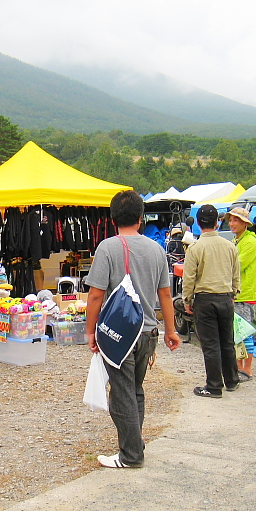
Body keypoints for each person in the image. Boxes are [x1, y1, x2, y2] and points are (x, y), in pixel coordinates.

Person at [86, 190, 181, 468]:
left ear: (112, 218)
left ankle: (130, 455)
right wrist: (171, 330)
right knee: (134, 389)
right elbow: (165, 295)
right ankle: (134, 444)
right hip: (148, 332)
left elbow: (95, 295)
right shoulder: (156, 249)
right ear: (141, 218)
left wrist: (90, 331)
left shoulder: (107, 248)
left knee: (121, 393)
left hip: (118, 335)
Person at [183, 204, 241, 399]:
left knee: (210, 345)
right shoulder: (230, 246)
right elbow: (236, 274)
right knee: (227, 341)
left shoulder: (195, 248)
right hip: (225, 297)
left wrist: (187, 299)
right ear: (217, 222)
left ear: (198, 223)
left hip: (205, 299)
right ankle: (232, 380)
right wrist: (234, 294)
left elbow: (189, 277)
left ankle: (214, 386)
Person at [224, 207, 256, 381]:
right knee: (237, 333)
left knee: (244, 333)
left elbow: (237, 265)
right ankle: (239, 367)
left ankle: (247, 368)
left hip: (245, 294)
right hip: (238, 294)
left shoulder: (250, 242)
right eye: (231, 220)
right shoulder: (237, 240)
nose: (232, 223)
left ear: (245, 223)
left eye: (236, 220)